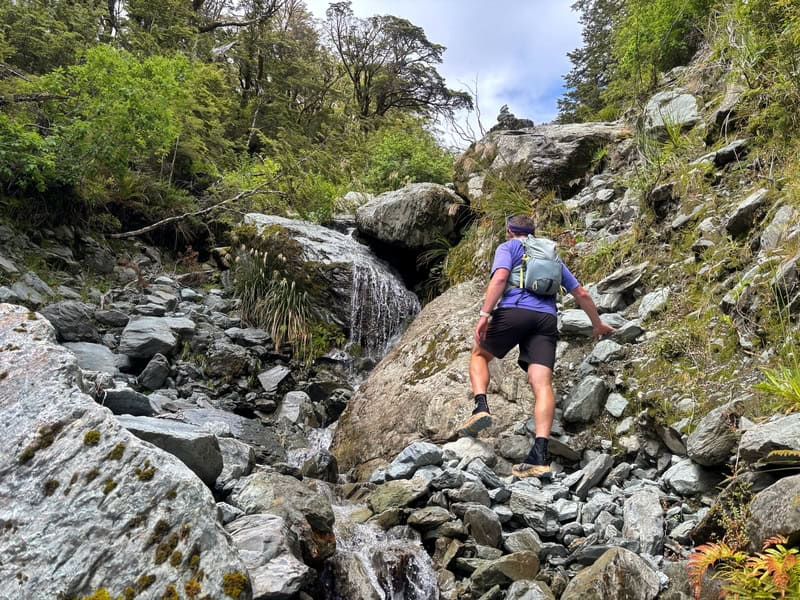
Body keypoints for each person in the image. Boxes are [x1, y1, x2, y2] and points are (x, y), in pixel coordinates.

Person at [457, 214, 615, 478]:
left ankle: (481, 407)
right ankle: (539, 456)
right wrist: (597, 325)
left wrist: (485, 315)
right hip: (546, 319)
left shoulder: (508, 247)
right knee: (541, 383)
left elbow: (499, 279)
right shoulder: (550, 255)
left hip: (514, 311)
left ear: (509, 231)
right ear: (533, 232)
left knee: (479, 354)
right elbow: (581, 293)